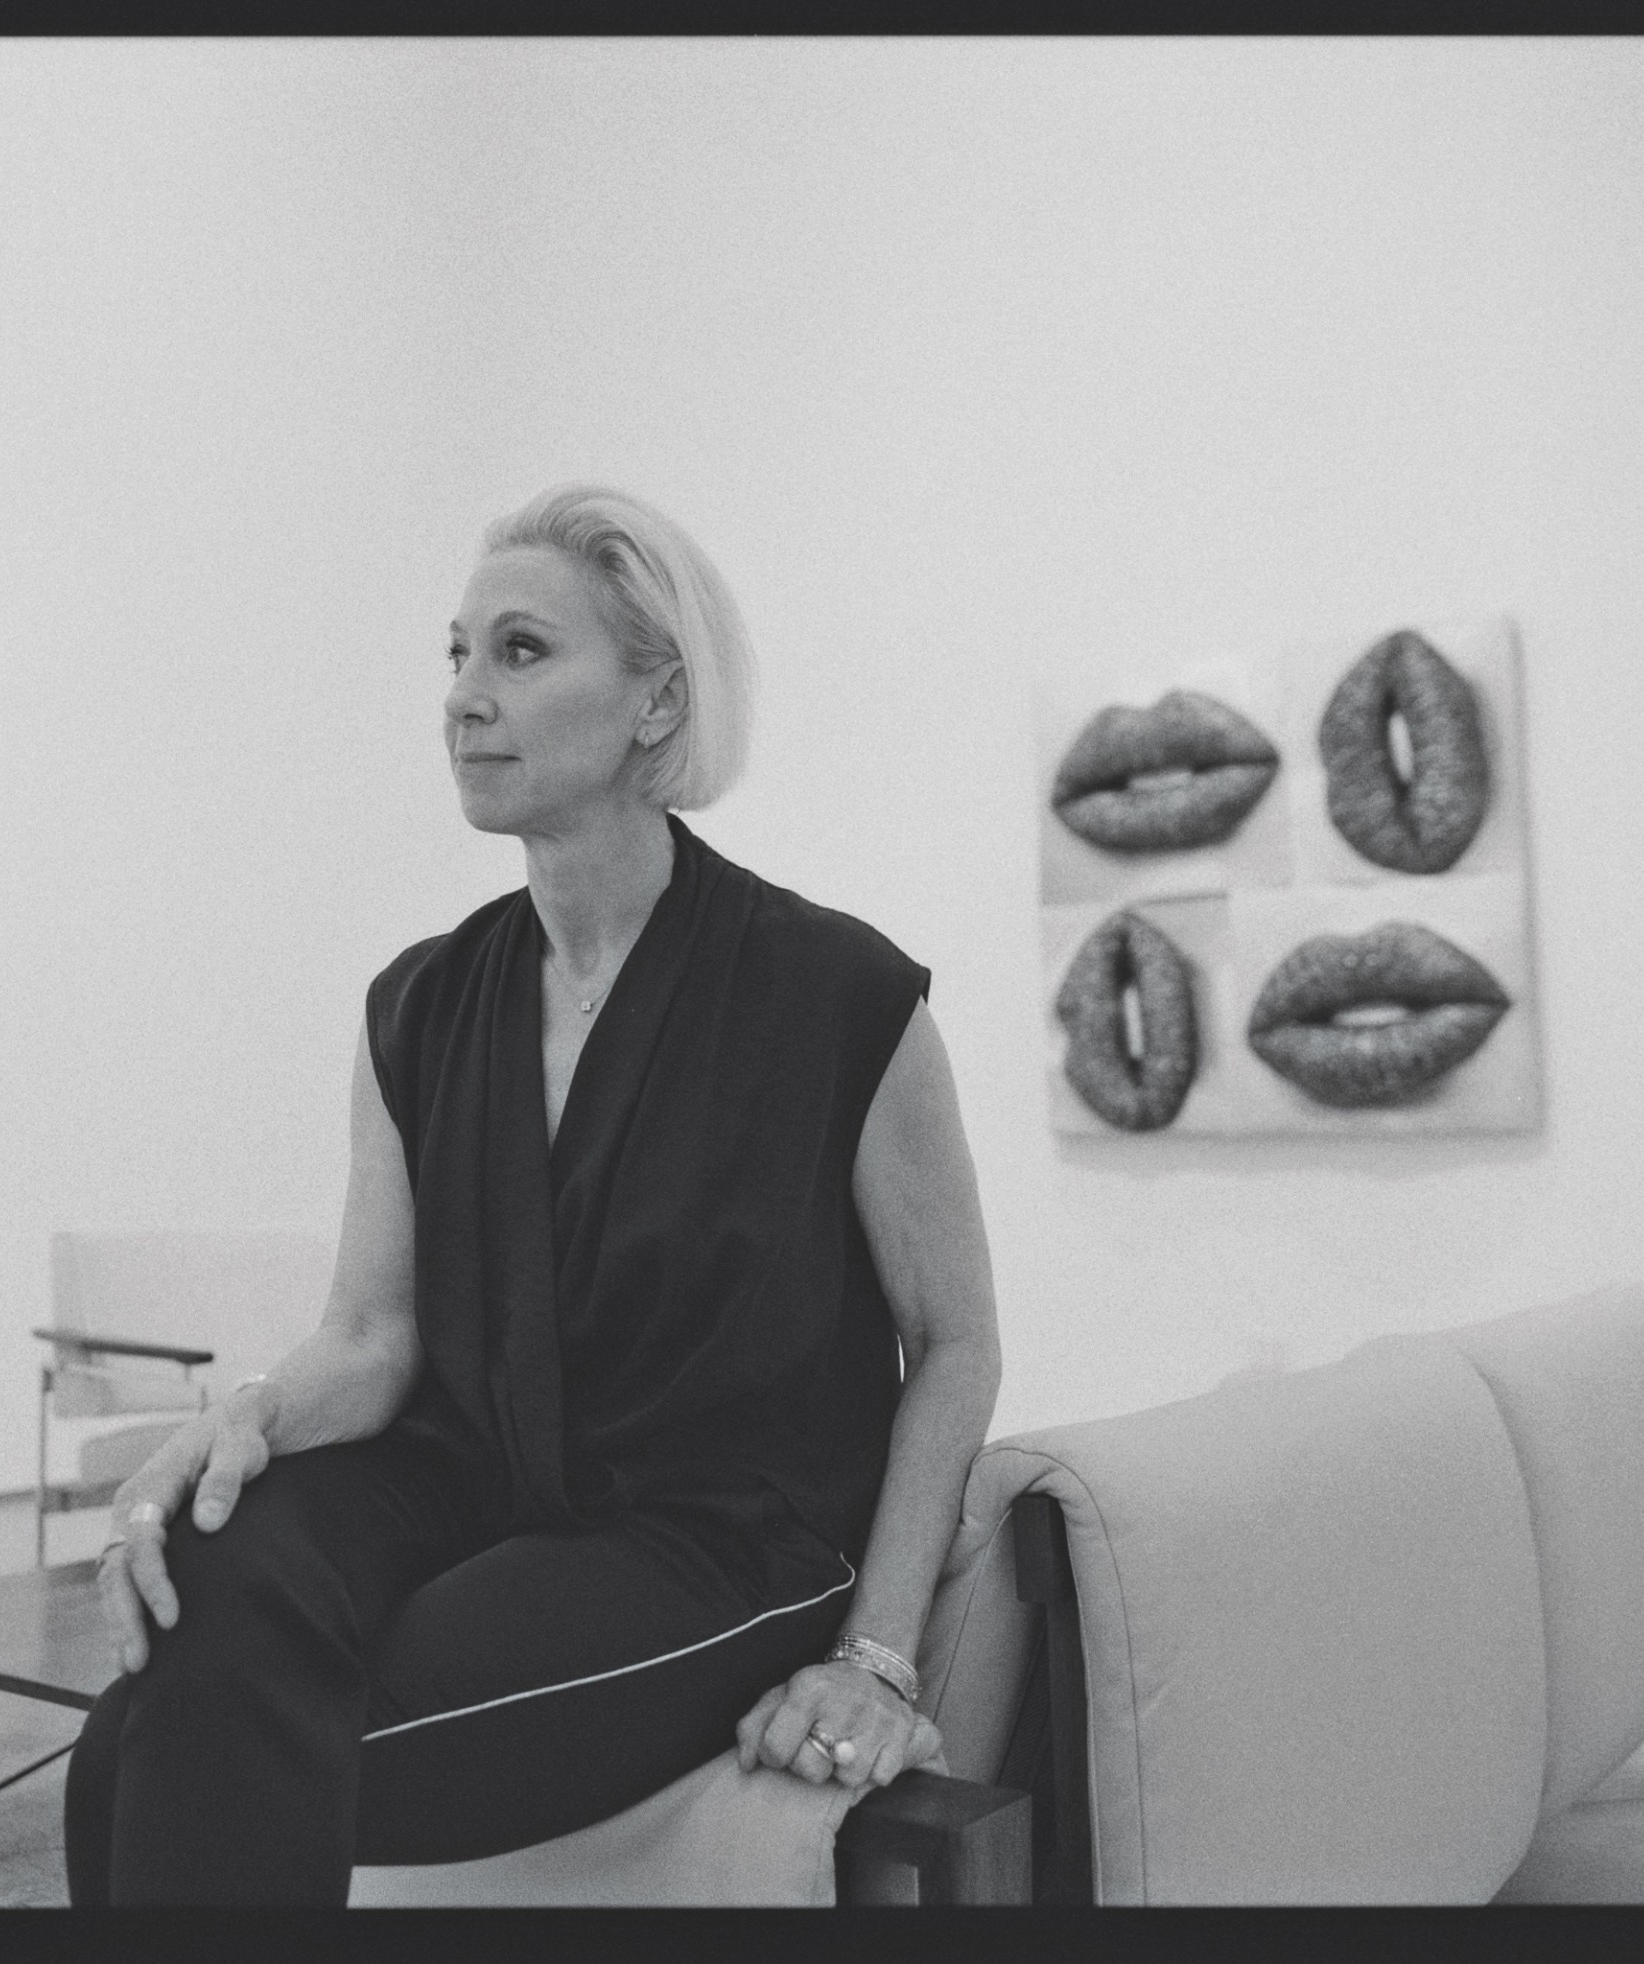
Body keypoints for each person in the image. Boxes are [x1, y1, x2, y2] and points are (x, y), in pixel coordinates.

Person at [62, 484, 1003, 1906]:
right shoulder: (420, 1002)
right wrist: (239, 1422)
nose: (462, 699)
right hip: (470, 1479)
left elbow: (955, 1342)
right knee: (225, 1559)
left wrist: (878, 1653)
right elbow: (373, 1341)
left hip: (718, 1533)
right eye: (454, 656)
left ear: (654, 703)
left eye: (518, 653)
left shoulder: (837, 995)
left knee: (142, 1754)